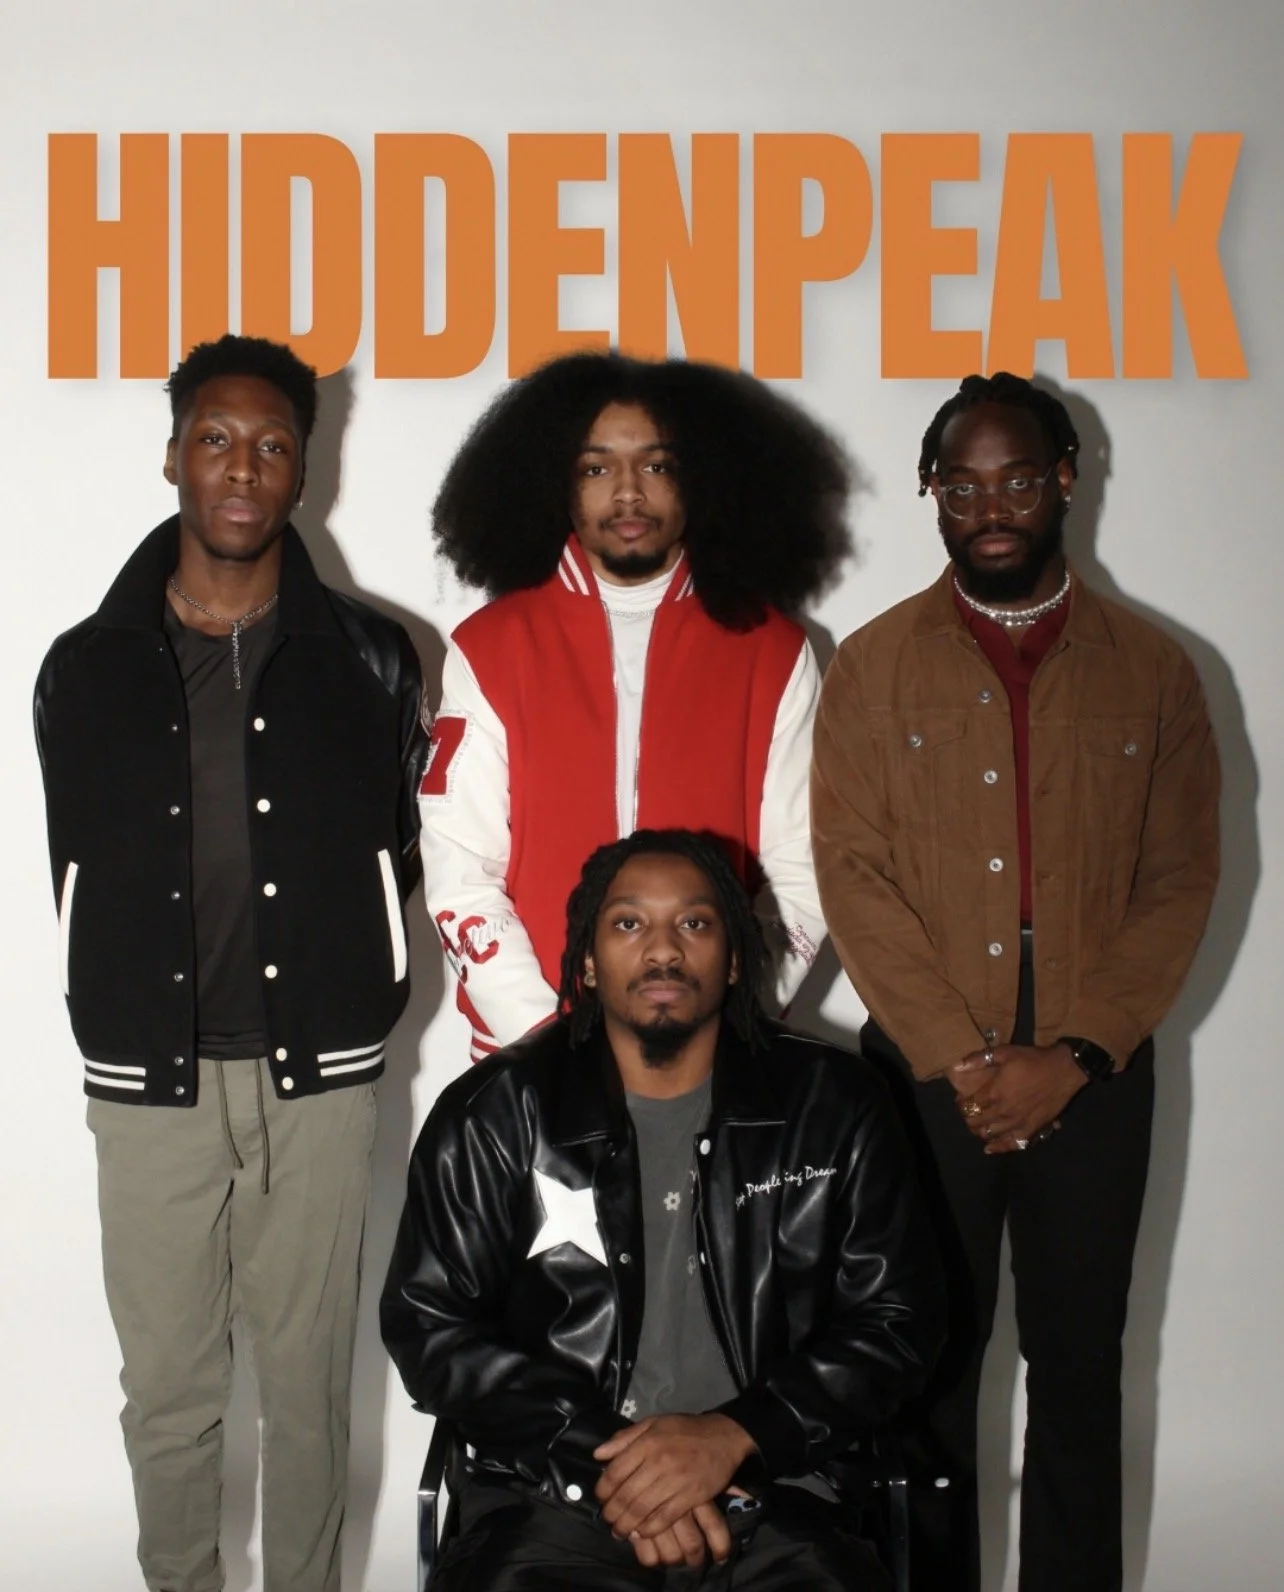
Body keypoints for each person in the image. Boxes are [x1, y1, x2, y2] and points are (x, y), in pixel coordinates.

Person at [810, 372, 1221, 1592]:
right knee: (927, 1363)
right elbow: (853, 870)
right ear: (934, 493)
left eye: (1019, 477)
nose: (993, 505)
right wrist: (959, 1056)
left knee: (1080, 1366)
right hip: (930, 1067)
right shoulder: (874, 669)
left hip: (1095, 1067)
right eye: (966, 482)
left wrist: (1080, 1053)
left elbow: (1182, 877)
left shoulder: (1156, 672)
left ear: (1067, 481)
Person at [34, 334, 427, 1592]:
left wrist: (352, 967)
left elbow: (402, 853)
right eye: (215, 438)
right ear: (172, 456)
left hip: (320, 1078)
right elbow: (70, 855)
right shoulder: (84, 665)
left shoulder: (373, 660)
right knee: (169, 1390)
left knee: (308, 1394)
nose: (242, 467)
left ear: (304, 470)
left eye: (271, 444)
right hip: (147, 1087)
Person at [382, 828, 944, 1590]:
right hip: (555, 1497)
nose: (663, 950)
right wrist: (613, 1465)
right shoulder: (496, 1113)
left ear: (737, 956)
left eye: (695, 922)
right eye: (627, 923)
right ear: (586, 958)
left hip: (781, 1489)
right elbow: (430, 1322)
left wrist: (736, 1437)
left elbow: (900, 1320)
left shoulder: (835, 1105)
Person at [420, 352, 847, 1062]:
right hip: (529, 1065)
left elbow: (803, 871)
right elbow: (460, 869)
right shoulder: (491, 648)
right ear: (556, 483)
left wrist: (728, 1018)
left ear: (701, 478)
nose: (626, 493)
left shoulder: (773, 651)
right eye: (595, 468)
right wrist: (550, 1041)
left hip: (715, 1061)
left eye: (656, 465)